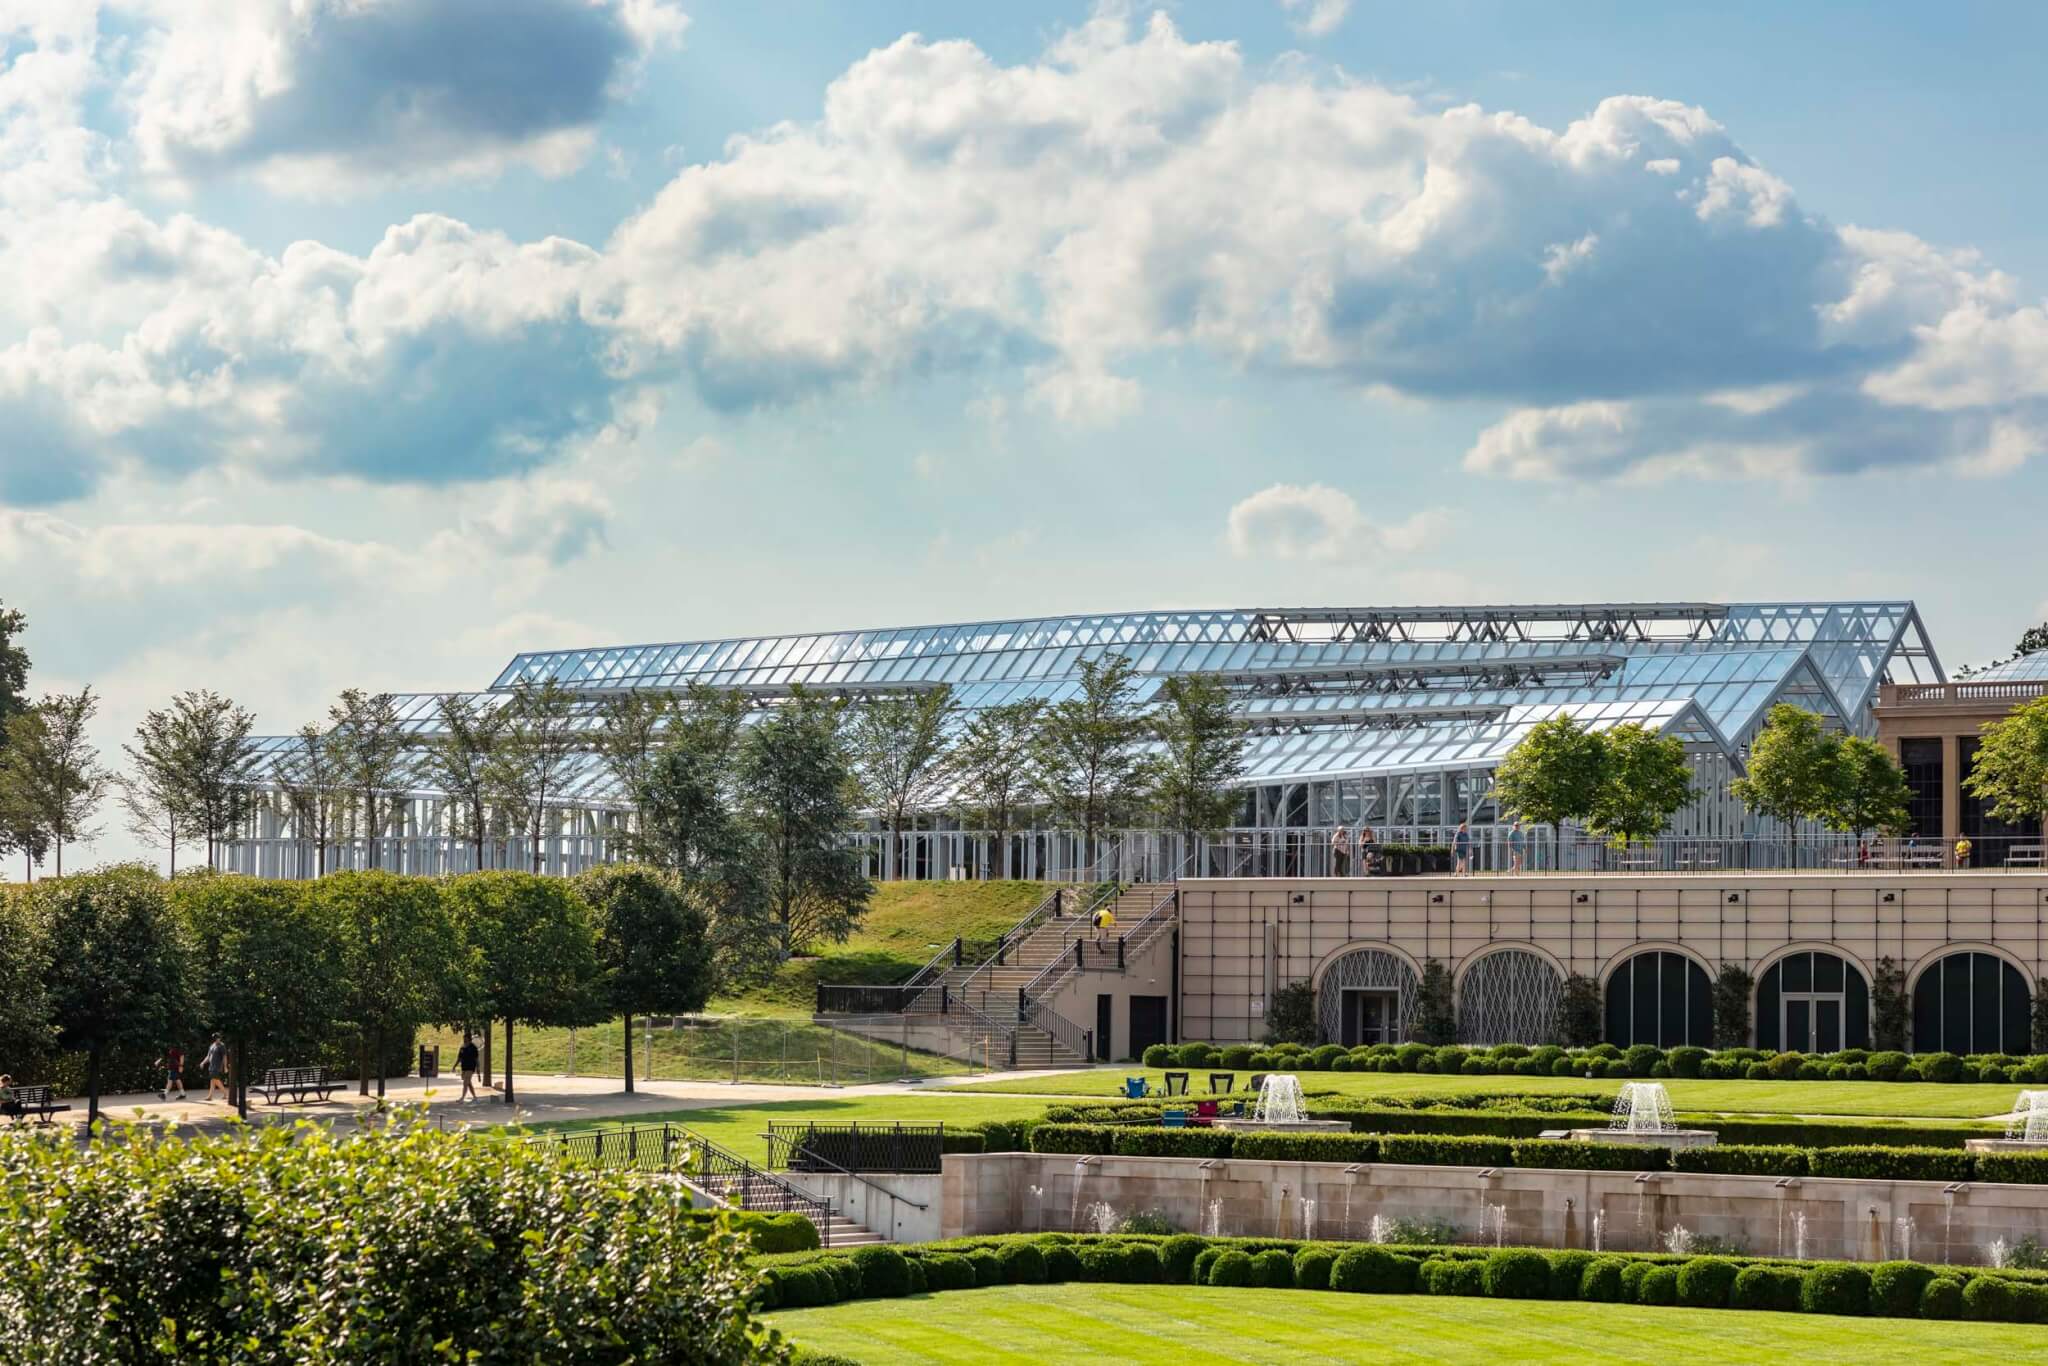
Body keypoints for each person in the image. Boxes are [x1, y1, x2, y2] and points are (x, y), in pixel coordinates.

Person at [203, 1033, 229, 1103]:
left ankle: (225, 1093)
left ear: (220, 1038)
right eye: (216, 1038)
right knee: (213, 1080)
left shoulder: (222, 1046)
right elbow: (208, 1056)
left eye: (218, 1038)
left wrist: (225, 1066)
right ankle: (210, 1096)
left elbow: (224, 1057)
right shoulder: (212, 1046)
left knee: (215, 1080)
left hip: (217, 1066)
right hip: (211, 1065)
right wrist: (203, 1062)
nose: (217, 1039)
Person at [458, 1033, 481, 1103]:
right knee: (468, 1083)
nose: (464, 1040)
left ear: (469, 1039)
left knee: (465, 1083)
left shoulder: (473, 1048)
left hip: (471, 1067)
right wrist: (454, 1066)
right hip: (464, 1067)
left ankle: (462, 1098)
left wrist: (478, 1070)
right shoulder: (462, 1047)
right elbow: (459, 1058)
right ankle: (475, 1097)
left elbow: (476, 1060)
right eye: (464, 1038)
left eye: (466, 1039)